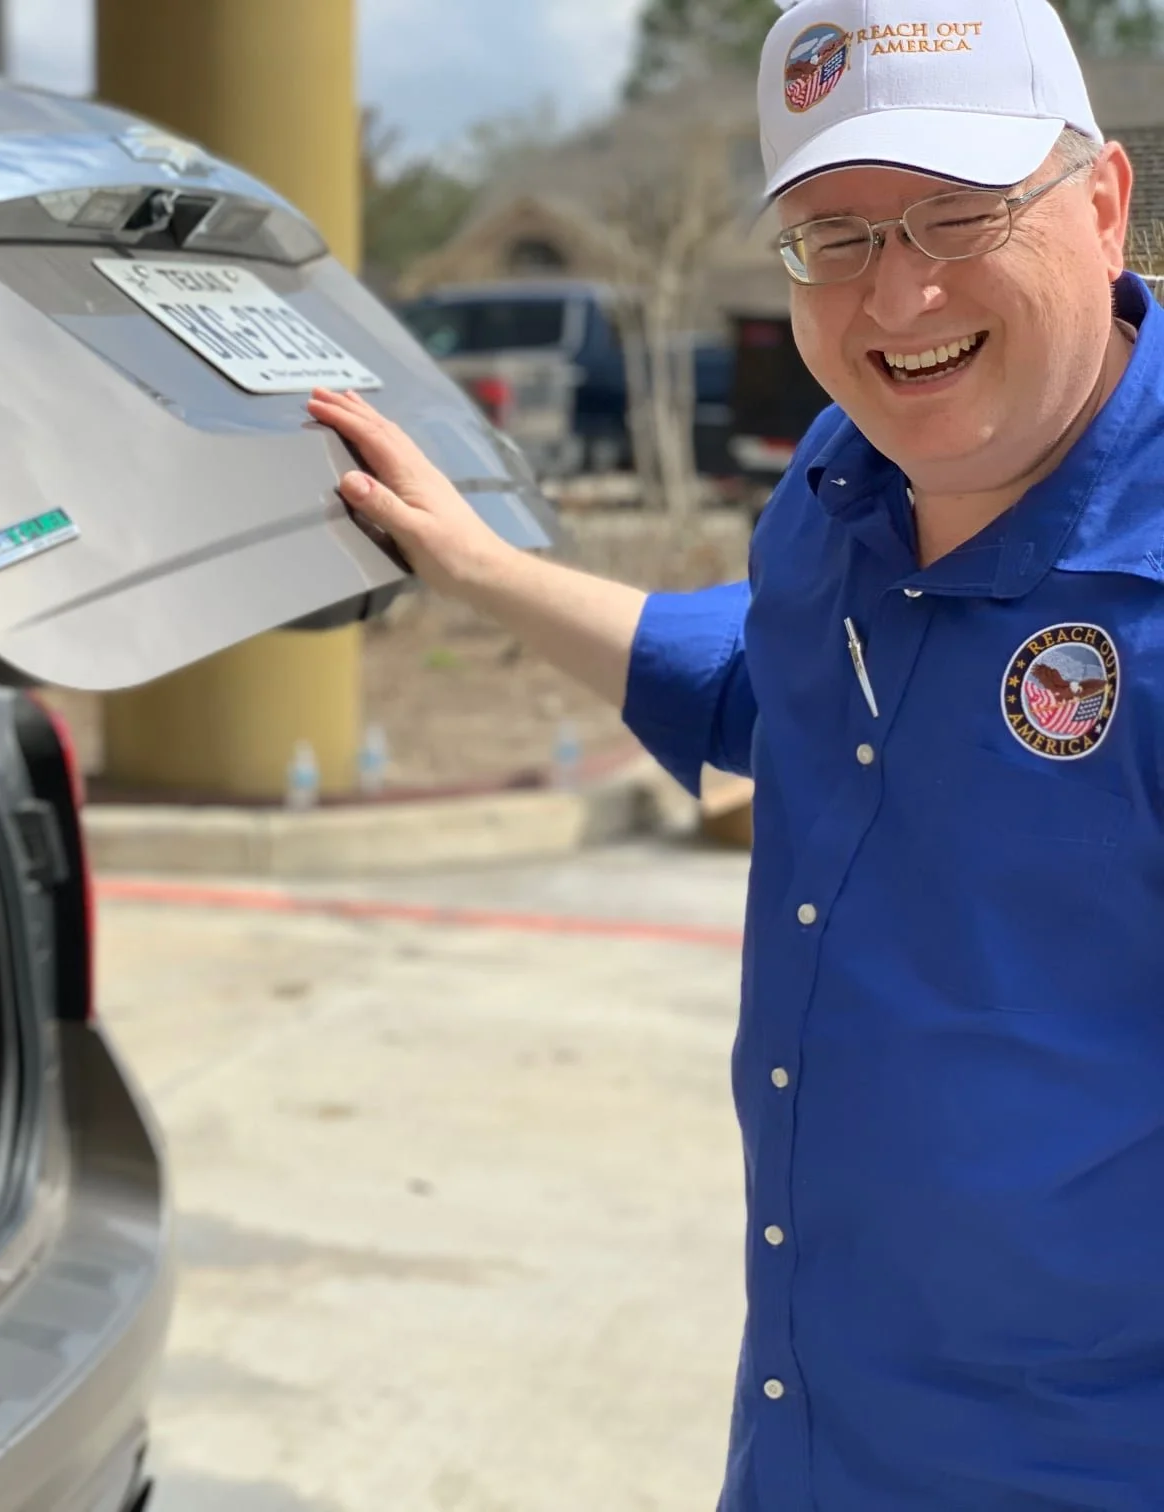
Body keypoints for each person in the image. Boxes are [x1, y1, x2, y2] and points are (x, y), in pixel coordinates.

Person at [311, 1, 1164, 1506]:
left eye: (956, 216)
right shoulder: (843, 493)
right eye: (832, 237)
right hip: (815, 1440)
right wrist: (476, 567)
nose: (896, 295)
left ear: (1103, 204)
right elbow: (768, 683)